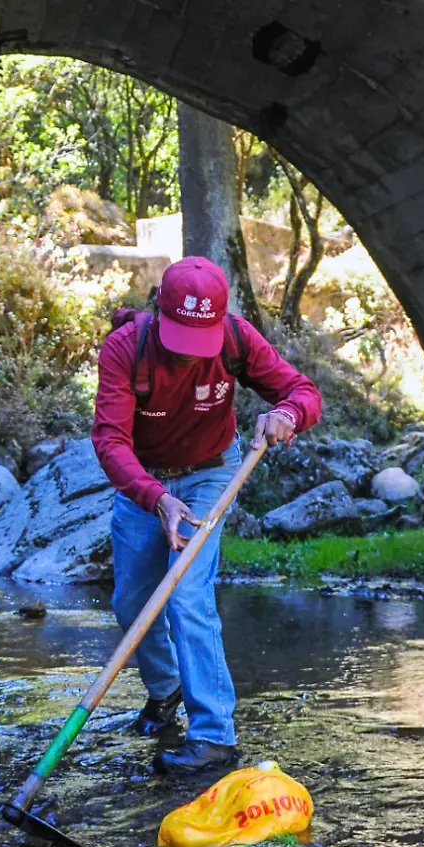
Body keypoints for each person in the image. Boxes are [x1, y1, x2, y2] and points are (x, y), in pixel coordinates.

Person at [90, 256, 322, 774]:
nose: (192, 356)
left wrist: (286, 414)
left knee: (187, 596)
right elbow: (109, 440)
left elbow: (303, 392)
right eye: (181, 341)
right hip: (145, 482)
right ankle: (167, 686)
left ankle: (214, 735)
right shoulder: (126, 349)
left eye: (202, 341)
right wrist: (155, 498)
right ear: (159, 310)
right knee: (131, 602)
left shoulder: (237, 339)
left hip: (210, 473)